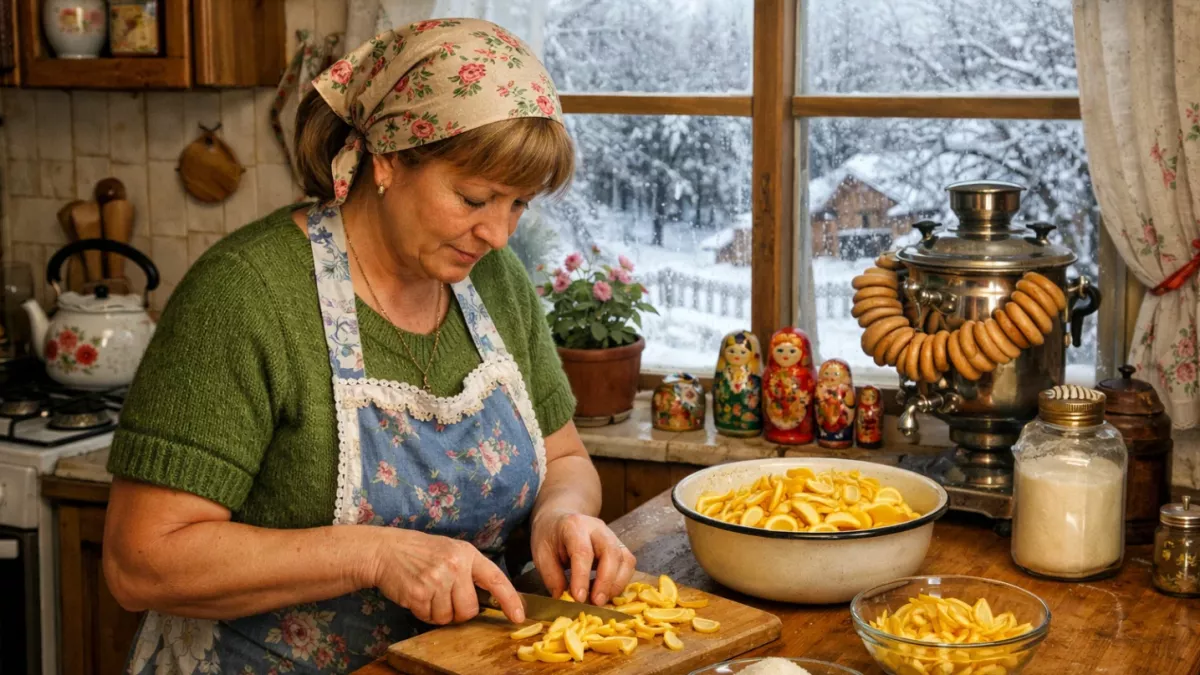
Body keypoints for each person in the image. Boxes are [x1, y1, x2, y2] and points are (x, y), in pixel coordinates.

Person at [102, 18, 636, 672]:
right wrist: (378, 553)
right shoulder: (246, 295)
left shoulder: (493, 281)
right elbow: (140, 558)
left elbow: (564, 455)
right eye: (475, 197)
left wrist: (563, 514)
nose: (498, 232)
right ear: (387, 159)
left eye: (518, 204)